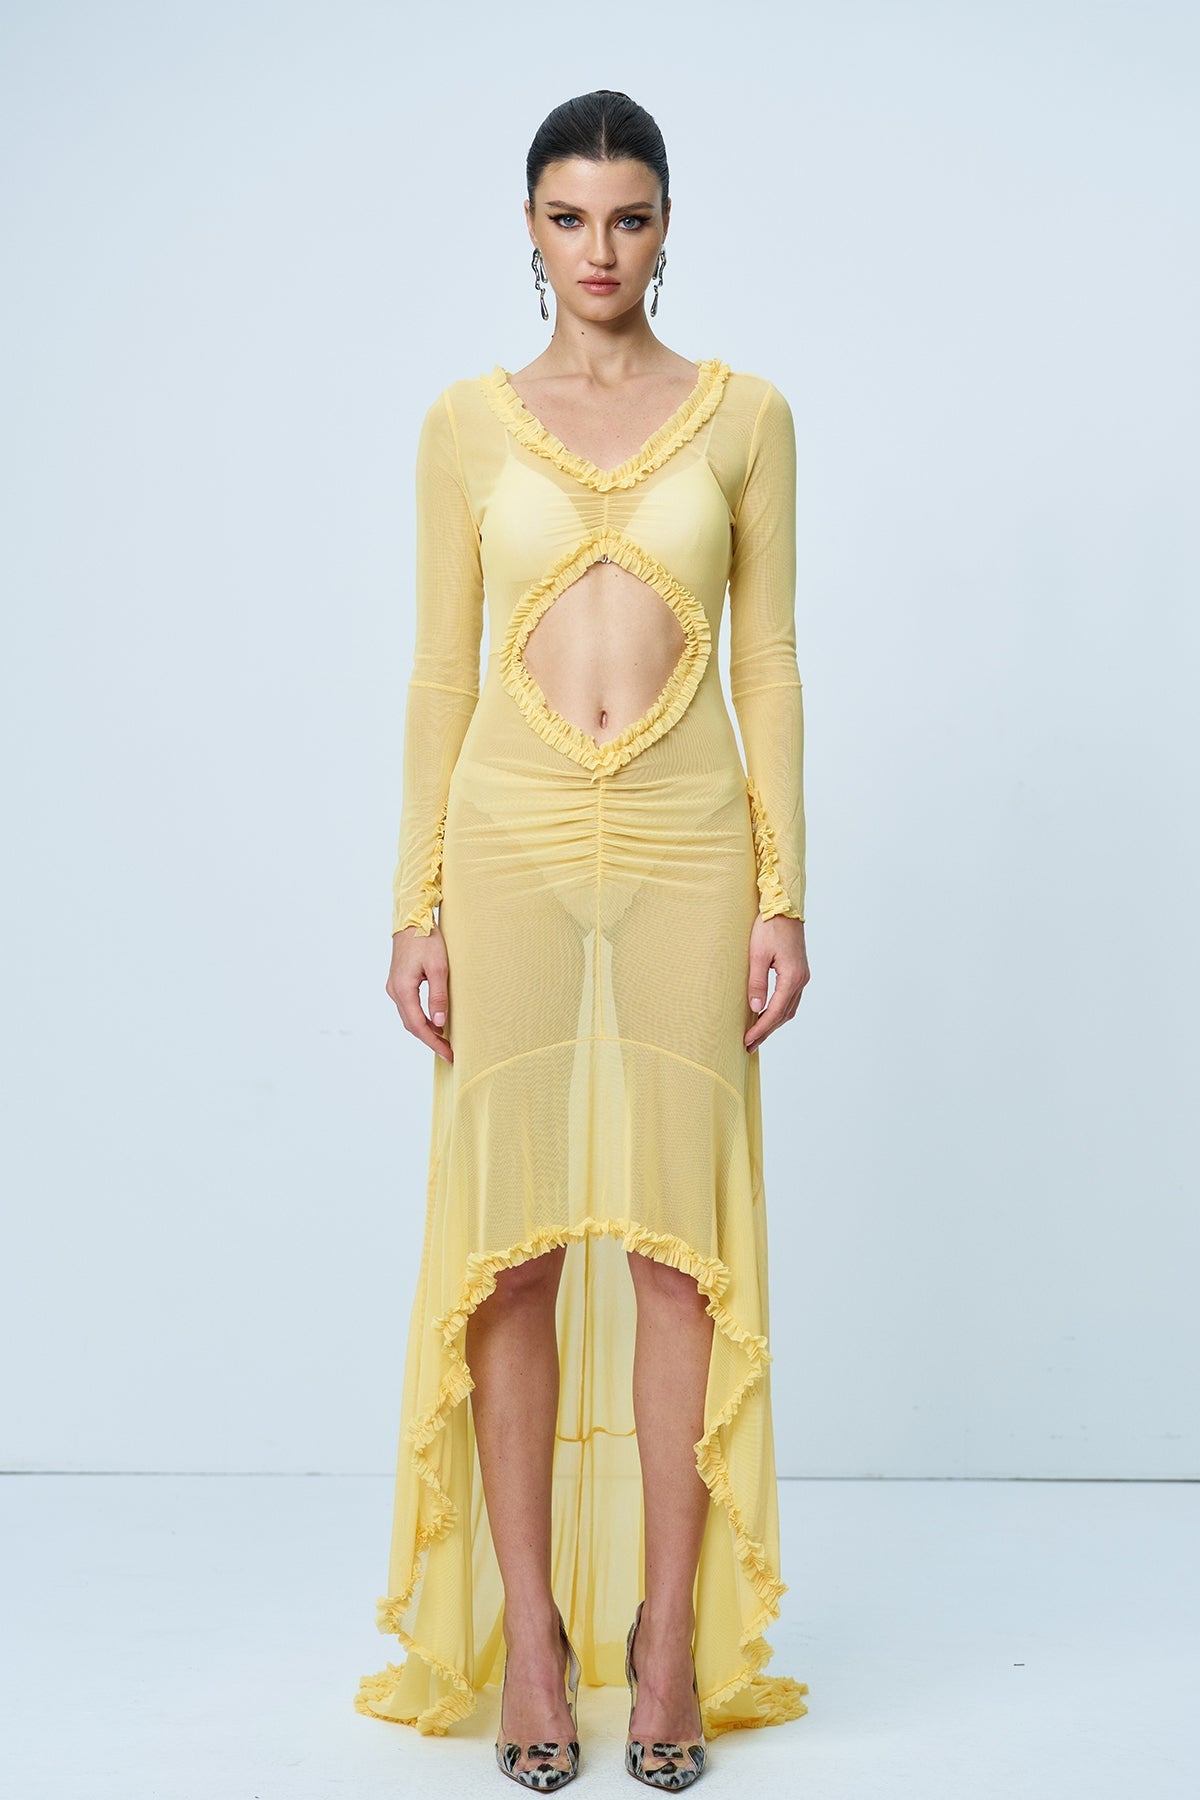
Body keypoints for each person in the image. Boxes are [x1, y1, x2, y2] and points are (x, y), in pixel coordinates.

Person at [355, 89, 812, 1791]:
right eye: (568, 219)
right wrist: (414, 901)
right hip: (513, 841)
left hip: (689, 840)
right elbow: (437, 673)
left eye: (627, 218)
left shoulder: (747, 416)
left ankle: (670, 1638)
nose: (598, 251)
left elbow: (769, 664)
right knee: (518, 1247)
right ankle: (534, 1643)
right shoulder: (466, 426)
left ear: (668, 224)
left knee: (680, 1250)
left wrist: (784, 890)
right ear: (531, 230)